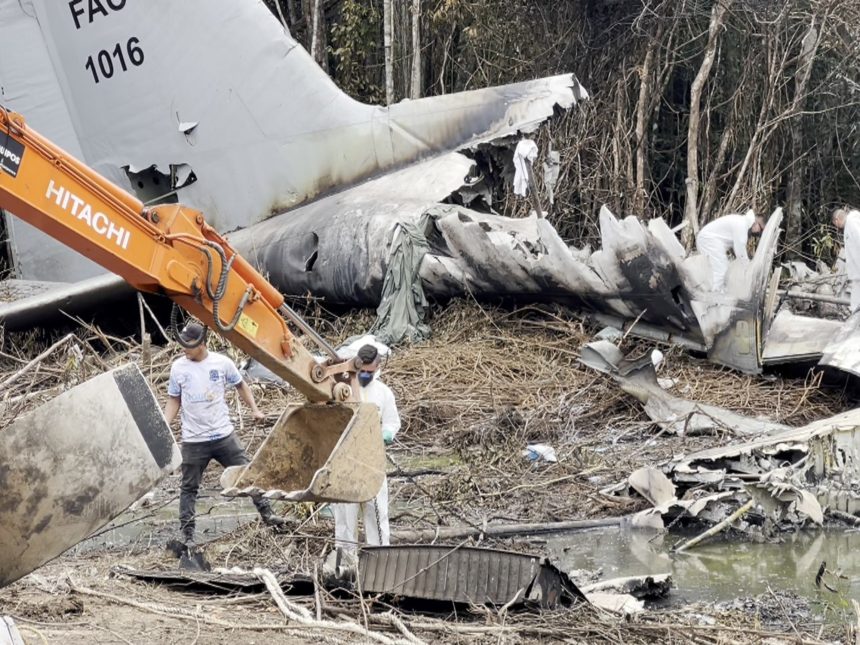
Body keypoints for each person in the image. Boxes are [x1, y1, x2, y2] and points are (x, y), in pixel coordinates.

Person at [164, 321, 285, 545]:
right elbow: (174, 400)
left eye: (187, 344)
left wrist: (255, 410)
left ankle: (269, 515)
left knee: (248, 473)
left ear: (201, 343)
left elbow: (241, 385)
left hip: (223, 436)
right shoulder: (178, 368)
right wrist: (165, 424)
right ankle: (188, 534)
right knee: (189, 487)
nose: (183, 348)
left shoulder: (222, 363)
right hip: (194, 440)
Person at [331, 343, 400, 558]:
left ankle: (379, 559)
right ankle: (345, 561)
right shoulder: (343, 388)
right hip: (345, 462)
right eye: (362, 371)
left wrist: (386, 435)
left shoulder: (383, 393)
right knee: (345, 517)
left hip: (372, 462)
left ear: (377, 369)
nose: (365, 376)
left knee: (376, 513)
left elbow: (391, 422)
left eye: (370, 372)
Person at [696, 209, 765, 292]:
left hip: (708, 239)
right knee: (721, 268)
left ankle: (712, 293)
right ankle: (716, 295)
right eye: (761, 229)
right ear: (755, 222)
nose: (759, 233)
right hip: (708, 239)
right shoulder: (742, 226)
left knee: (714, 270)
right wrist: (748, 271)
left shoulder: (742, 222)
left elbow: (736, 249)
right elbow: (740, 254)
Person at [832, 207, 860, 313]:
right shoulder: (850, 224)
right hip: (857, 269)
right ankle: (855, 316)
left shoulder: (852, 223)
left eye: (835, 225)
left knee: (856, 299)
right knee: (856, 298)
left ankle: (855, 317)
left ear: (837, 220)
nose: (837, 227)